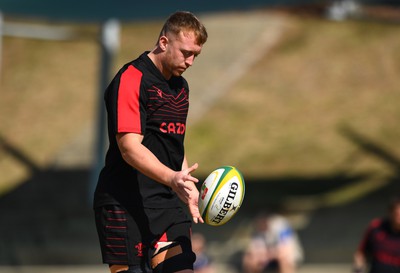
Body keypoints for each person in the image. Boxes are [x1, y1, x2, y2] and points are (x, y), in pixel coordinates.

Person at [93, 11, 208, 273]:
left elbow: (173, 141)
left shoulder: (181, 87)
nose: (190, 61)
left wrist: (184, 183)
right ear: (164, 42)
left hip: (166, 203)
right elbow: (129, 148)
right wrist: (171, 178)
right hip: (124, 202)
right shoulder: (131, 79)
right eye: (186, 52)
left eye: (196, 55)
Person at [353, 195, 400, 273]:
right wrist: (358, 270)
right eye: (397, 214)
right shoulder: (376, 227)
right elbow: (360, 254)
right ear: (390, 213)